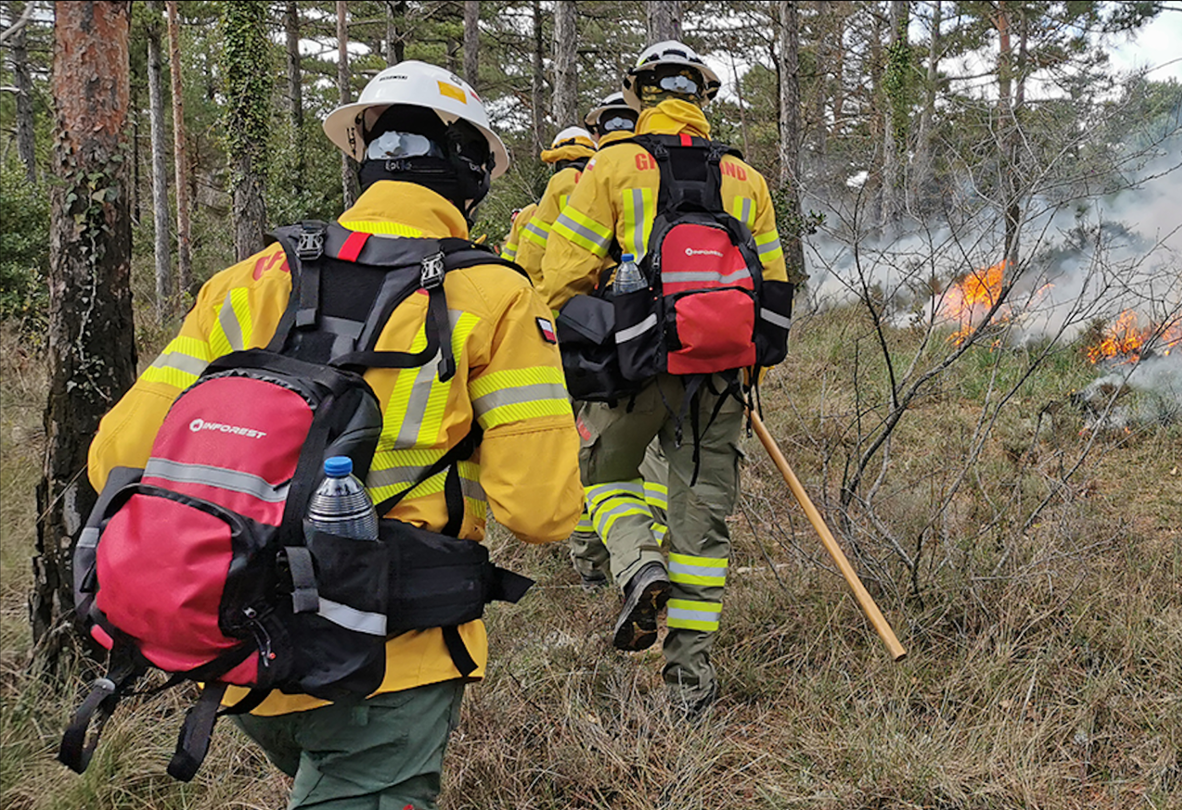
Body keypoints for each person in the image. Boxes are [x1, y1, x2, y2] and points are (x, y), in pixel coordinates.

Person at [86, 60, 581, 809]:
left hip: (245, 643)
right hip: (389, 653)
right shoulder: (499, 295)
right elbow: (540, 512)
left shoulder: (251, 278)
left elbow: (113, 458)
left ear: (364, 161)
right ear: (471, 174)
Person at [541, 40, 790, 717]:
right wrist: (744, 362)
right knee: (702, 532)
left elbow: (562, 278)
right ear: (703, 98)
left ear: (639, 94)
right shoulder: (746, 178)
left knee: (603, 481)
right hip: (722, 379)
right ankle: (689, 688)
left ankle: (635, 565)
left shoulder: (613, 165)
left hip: (631, 370)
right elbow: (774, 283)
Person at [510, 125, 598, 292]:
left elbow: (532, 250)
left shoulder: (558, 184)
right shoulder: (602, 179)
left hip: (554, 288)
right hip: (598, 284)